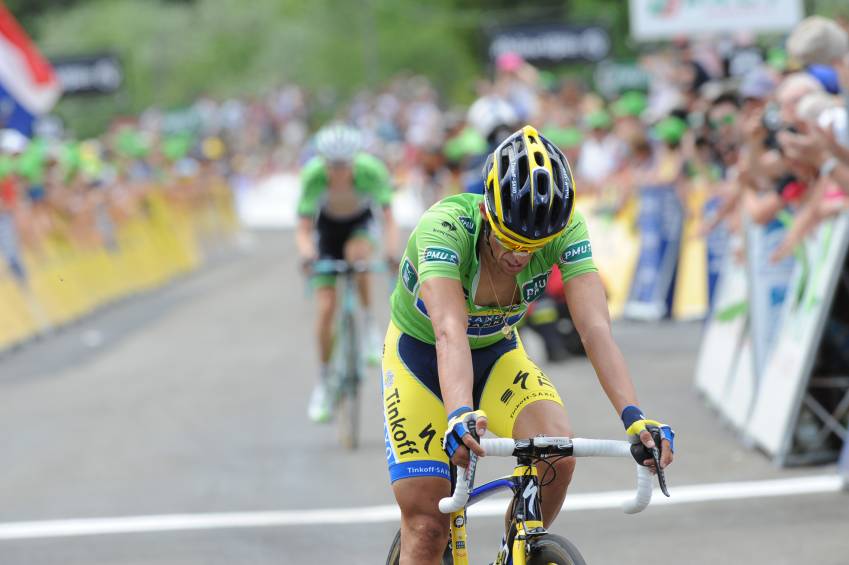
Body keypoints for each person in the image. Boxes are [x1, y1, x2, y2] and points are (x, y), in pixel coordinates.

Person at [382, 125, 674, 564]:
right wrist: (458, 412)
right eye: (510, 239)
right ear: (486, 209)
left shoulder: (566, 228)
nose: (520, 255)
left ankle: (515, 550)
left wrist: (634, 417)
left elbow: (594, 329)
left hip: (497, 352)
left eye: (533, 246)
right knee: (426, 527)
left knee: (556, 452)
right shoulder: (443, 228)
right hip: (422, 359)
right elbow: (448, 330)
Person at [296, 123, 399, 423]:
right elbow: (303, 228)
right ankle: (324, 379)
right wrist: (307, 256)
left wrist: (392, 252)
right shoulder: (313, 176)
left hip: (360, 226)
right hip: (327, 232)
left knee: (358, 256)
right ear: (323, 162)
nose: (338, 172)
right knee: (326, 307)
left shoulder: (371, 171)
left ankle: (368, 324)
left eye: (344, 165)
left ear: (354, 161)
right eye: (332, 166)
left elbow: (389, 219)